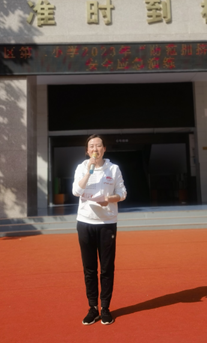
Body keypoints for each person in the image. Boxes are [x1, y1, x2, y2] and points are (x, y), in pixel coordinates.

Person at [72, 134, 127, 325]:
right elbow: (76, 191)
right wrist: (89, 171)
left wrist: (109, 199)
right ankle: (92, 308)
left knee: (106, 268)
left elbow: (122, 193)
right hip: (85, 222)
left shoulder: (114, 169)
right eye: (91, 146)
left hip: (107, 223)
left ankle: (105, 308)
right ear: (87, 151)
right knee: (89, 268)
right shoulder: (81, 168)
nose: (95, 149)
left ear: (104, 149)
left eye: (98, 146)